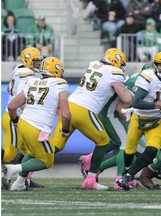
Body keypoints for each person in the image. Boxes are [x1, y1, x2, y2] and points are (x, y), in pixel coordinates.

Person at [50, 48, 133, 190]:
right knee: (103, 141)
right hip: (84, 110)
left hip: (70, 106)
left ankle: (22, 173)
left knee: (54, 146)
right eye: (121, 64)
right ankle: (90, 179)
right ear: (116, 61)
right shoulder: (115, 73)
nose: (121, 68)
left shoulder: (93, 64)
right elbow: (126, 98)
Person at [116, 51, 161, 191]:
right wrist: (158, 105)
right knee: (129, 151)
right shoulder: (147, 76)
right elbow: (136, 102)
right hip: (139, 117)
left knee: (152, 151)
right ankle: (126, 174)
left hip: (157, 119)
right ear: (155, 64)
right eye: (160, 65)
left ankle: (127, 176)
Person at [2, 56, 71, 191]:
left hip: (23, 124)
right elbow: (66, 115)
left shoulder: (31, 81)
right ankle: (13, 169)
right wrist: (65, 130)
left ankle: (20, 183)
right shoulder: (59, 83)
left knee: (33, 153)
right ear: (57, 71)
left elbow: (11, 106)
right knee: (47, 161)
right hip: (38, 128)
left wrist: (16, 123)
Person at [1, 47, 46, 189]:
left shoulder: (19, 70)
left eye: (39, 61)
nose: (38, 64)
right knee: (9, 155)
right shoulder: (27, 74)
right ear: (27, 60)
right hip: (14, 118)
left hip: (17, 118)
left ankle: (24, 179)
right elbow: (20, 100)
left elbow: (9, 89)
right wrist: (32, 114)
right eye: (36, 61)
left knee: (30, 151)